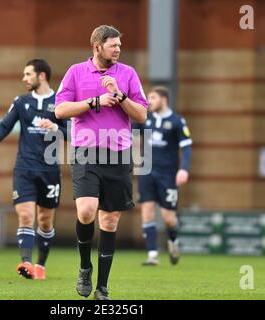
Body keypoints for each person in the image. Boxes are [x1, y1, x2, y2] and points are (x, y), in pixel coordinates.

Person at [55, 25, 148, 300]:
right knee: (86, 211)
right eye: (112, 45)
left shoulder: (128, 74)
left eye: (119, 45)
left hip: (119, 154)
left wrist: (120, 96)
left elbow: (141, 114)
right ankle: (85, 267)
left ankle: (102, 287)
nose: (118, 49)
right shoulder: (75, 72)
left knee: (109, 219)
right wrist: (94, 101)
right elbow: (60, 109)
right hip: (86, 152)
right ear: (96, 47)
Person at [0, 59, 67, 281]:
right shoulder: (21, 102)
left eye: (28, 74)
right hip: (24, 168)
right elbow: (5, 124)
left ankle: (40, 265)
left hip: (49, 170)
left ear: (41, 76)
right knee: (26, 215)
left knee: (45, 220)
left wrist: (56, 127)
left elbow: (74, 132)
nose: (24, 78)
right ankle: (26, 262)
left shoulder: (60, 101)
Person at [135, 86, 192, 266]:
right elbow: (131, 133)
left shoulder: (177, 121)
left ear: (164, 99)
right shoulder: (145, 118)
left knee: (168, 217)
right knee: (147, 212)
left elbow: (186, 147)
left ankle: (173, 242)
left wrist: (184, 169)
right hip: (147, 172)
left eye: (152, 98)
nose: (149, 101)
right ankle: (152, 255)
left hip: (167, 175)